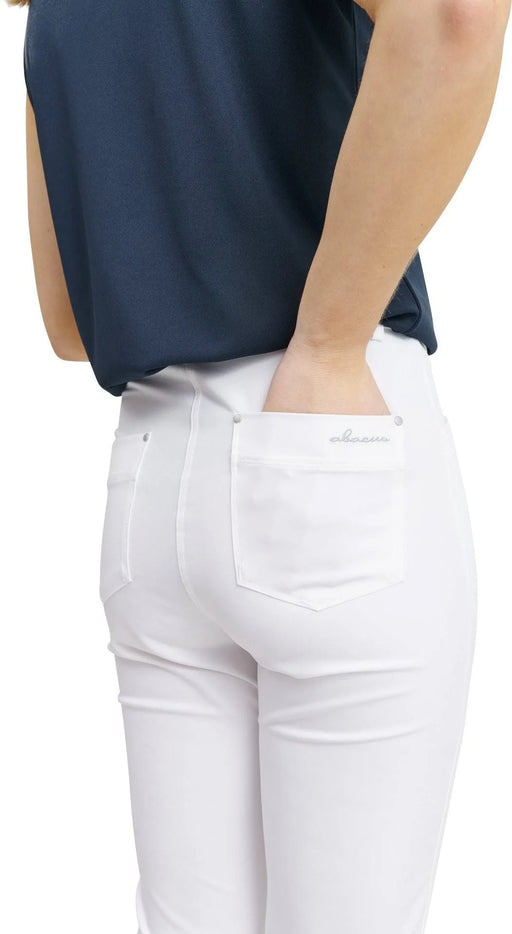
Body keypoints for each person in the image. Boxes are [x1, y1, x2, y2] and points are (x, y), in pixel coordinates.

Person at [13, 0, 509, 930]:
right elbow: (455, 16)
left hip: (152, 475)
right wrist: (329, 342)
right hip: (326, 459)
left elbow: (70, 319)